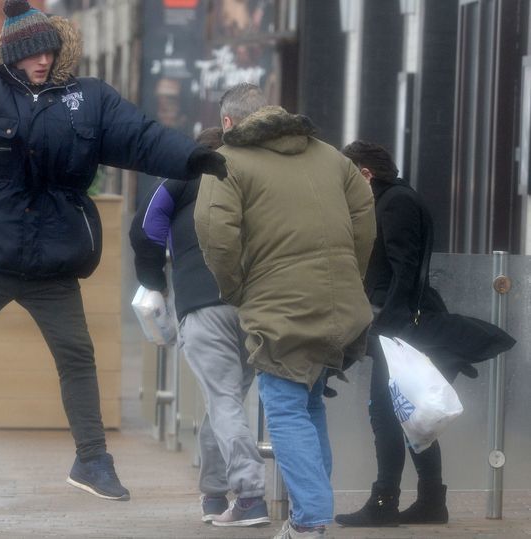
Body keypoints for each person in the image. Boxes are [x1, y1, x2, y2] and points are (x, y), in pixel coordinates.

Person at [0, 0, 227, 501]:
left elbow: (141, 137)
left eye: (50, 50)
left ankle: (93, 461)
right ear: (13, 54)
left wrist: (193, 157)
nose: (43, 59)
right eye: (33, 52)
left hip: (52, 257)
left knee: (77, 357)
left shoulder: (90, 99)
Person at [193, 83, 376, 539]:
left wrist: (235, 289)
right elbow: (365, 218)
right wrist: (349, 276)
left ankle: (310, 519)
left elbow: (215, 233)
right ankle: (309, 509)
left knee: (285, 409)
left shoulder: (229, 163)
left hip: (279, 305)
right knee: (309, 401)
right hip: (339, 303)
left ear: (229, 123)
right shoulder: (331, 156)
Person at [129, 127, 269, 528]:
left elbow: (144, 230)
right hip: (256, 305)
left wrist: (155, 283)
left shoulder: (181, 178)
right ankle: (212, 493)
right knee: (225, 402)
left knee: (223, 401)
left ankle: (250, 496)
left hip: (203, 304)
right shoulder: (254, 179)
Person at [334, 141, 449, 526]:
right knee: (410, 413)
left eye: (348, 179)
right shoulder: (395, 199)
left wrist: (388, 327)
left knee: (387, 412)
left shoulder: (394, 202)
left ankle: (384, 503)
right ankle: (432, 501)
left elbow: (404, 268)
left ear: (365, 174)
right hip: (398, 323)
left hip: (397, 326)